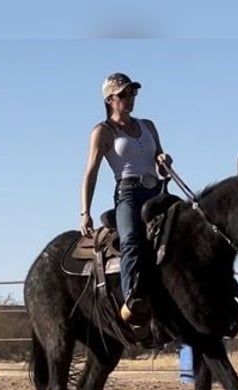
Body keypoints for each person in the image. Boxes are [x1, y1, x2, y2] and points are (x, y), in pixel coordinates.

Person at [79, 72, 172, 325]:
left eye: (132, 93)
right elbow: (91, 172)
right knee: (131, 239)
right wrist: (85, 211)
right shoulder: (103, 131)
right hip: (129, 191)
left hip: (157, 190)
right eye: (123, 94)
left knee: (191, 225)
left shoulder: (148, 125)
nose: (130, 98)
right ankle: (132, 300)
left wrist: (165, 161)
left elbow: (161, 163)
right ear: (110, 99)